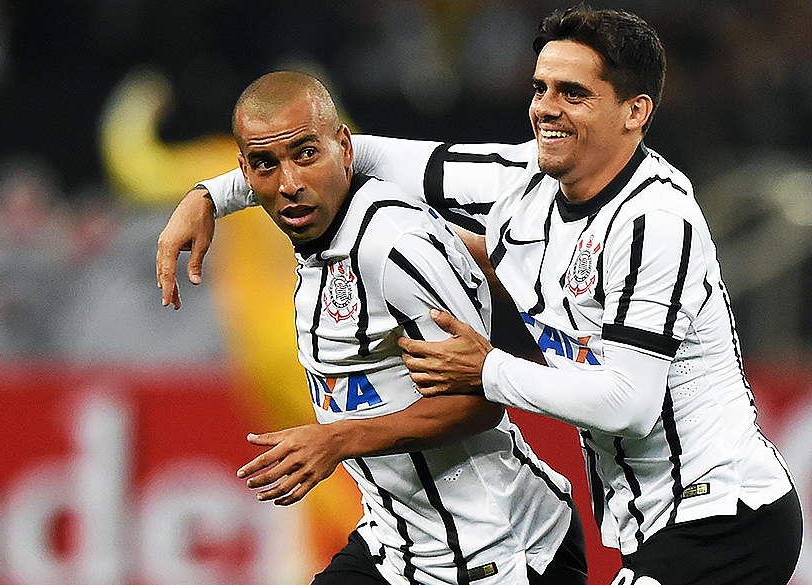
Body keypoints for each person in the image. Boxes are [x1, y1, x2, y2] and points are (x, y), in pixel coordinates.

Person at [155, 6, 801, 585]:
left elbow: (627, 404)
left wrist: (486, 368)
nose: (547, 108)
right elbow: (355, 152)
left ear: (635, 112)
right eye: (541, 88)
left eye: (574, 93)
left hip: (725, 513)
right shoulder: (519, 180)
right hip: (641, 522)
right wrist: (212, 194)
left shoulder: (655, 221)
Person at [194, 70, 588, 585]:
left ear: (343, 147)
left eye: (306, 154)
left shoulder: (393, 243)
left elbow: (479, 402)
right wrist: (202, 197)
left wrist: (337, 440)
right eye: (267, 165)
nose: (289, 183)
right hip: (397, 549)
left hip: (501, 550)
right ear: (245, 171)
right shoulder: (316, 239)